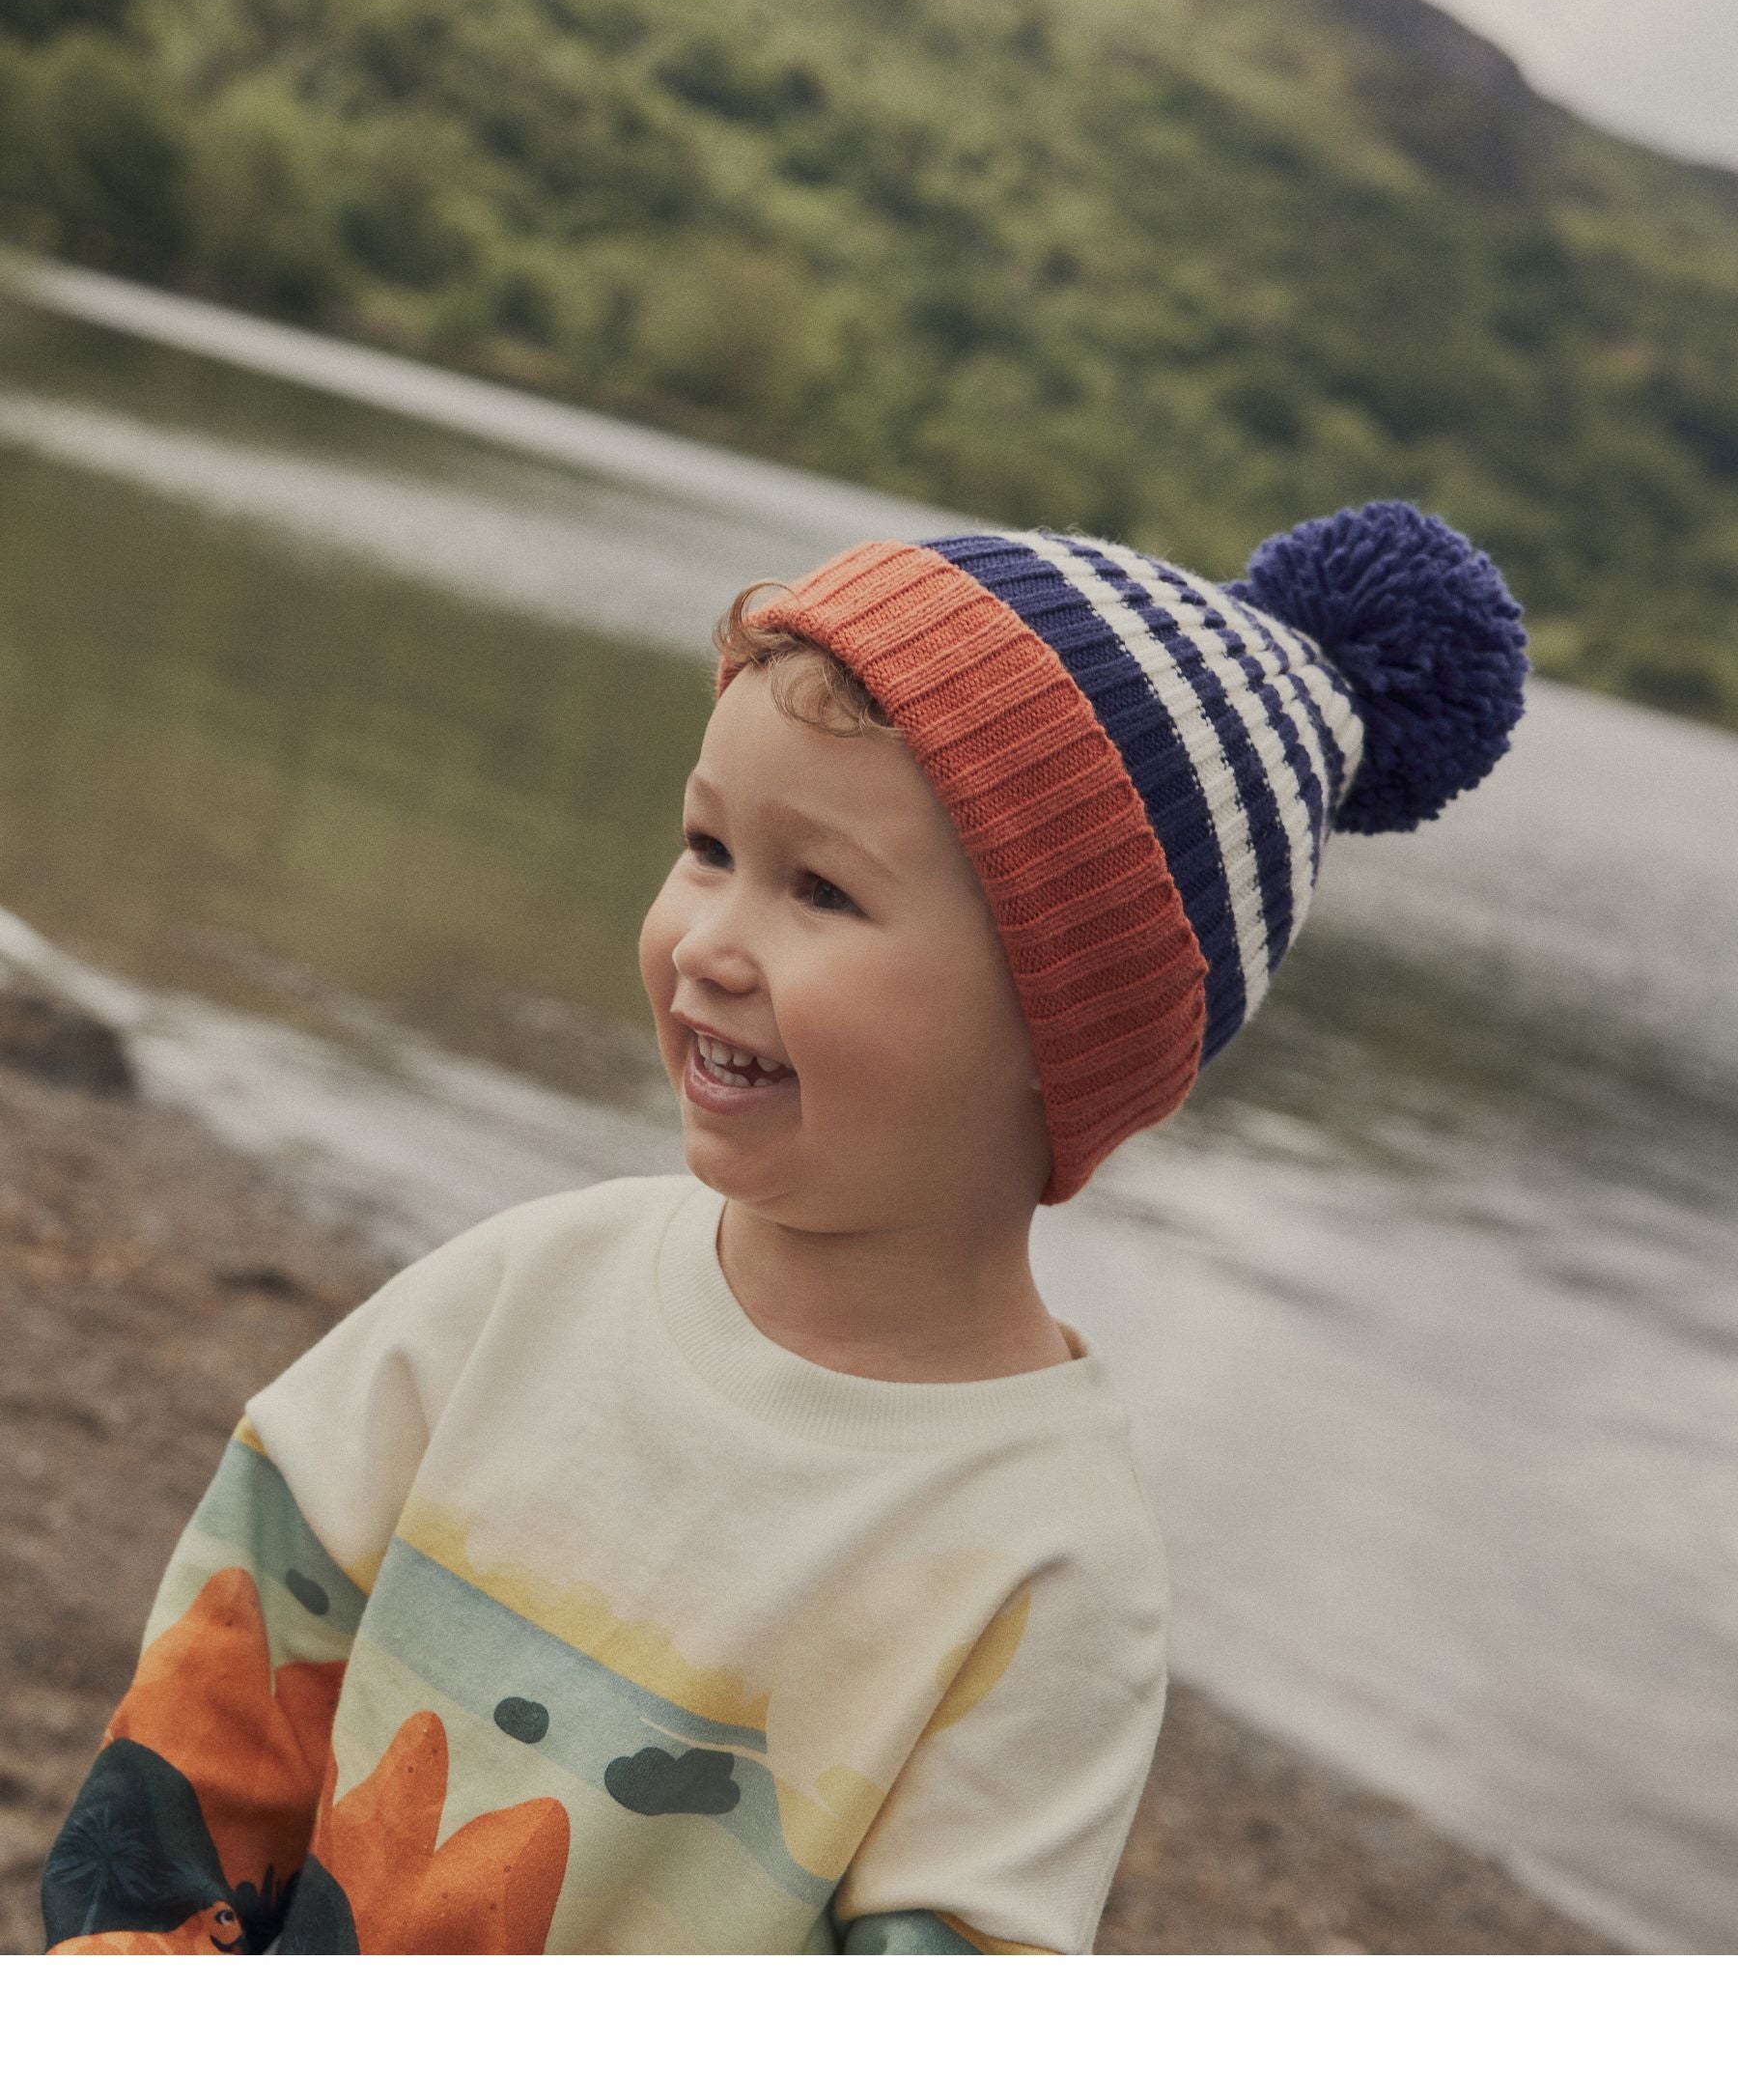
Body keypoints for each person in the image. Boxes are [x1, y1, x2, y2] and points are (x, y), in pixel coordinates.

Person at [40, 499, 1528, 1955]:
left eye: (819, 888)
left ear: (1066, 1030)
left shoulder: (1040, 1563)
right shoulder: (529, 1288)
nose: (708, 942)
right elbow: (241, 1654)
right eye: (706, 847)